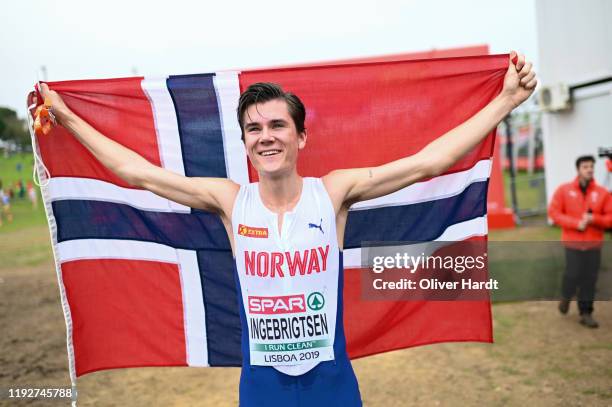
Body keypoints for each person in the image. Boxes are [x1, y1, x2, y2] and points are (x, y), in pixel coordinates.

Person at [38, 51, 536, 406]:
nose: (266, 137)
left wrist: (506, 100)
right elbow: (138, 175)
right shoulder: (231, 201)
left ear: (301, 136)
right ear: (245, 142)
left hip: (333, 386)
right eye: (254, 129)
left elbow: (431, 162)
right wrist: (67, 117)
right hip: (262, 390)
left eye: (277, 126)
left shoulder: (334, 191)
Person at [549, 155, 612, 328]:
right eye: (585, 166)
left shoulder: (602, 193)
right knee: (572, 275)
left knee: (589, 279)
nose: (589, 169)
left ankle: (586, 313)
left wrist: (595, 219)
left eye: (591, 166)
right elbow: (554, 213)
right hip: (572, 243)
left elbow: (610, 219)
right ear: (578, 169)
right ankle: (566, 296)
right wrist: (576, 223)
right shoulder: (563, 190)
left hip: (593, 244)